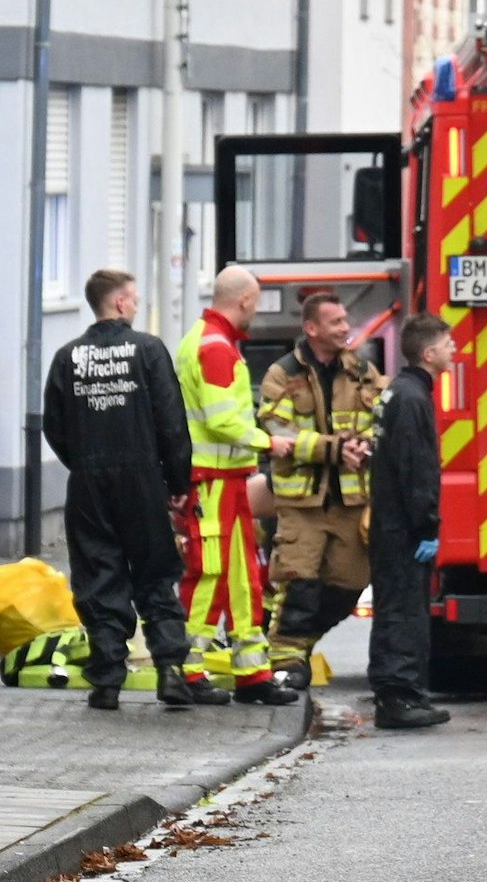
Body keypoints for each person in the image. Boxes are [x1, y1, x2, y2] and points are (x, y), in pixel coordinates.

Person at [42, 269, 197, 710]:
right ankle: (170, 670)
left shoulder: (67, 357)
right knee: (155, 571)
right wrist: (177, 482)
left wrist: (85, 465)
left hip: (89, 480)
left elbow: (54, 425)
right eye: (134, 298)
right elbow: (171, 421)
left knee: (98, 574)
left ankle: (107, 680)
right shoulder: (148, 350)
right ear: (122, 303)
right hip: (142, 477)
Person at [175, 266, 300, 707]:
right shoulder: (215, 346)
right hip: (212, 482)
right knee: (209, 576)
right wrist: (272, 442)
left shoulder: (210, 340)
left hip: (224, 481)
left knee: (244, 577)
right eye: (257, 302)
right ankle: (186, 672)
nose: (256, 311)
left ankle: (253, 675)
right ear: (245, 300)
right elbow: (223, 420)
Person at [260, 292, 385, 687]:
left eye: (346, 321)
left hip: (350, 500)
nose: (346, 328)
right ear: (312, 329)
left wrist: (364, 445)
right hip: (302, 503)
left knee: (349, 585)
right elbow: (276, 431)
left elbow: (383, 416)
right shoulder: (282, 374)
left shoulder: (363, 371)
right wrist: (334, 449)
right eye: (336, 323)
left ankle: (299, 648)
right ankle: (286, 662)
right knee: (298, 582)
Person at [366, 314, 456, 729]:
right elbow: (416, 469)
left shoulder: (400, 393)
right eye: (447, 343)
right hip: (403, 529)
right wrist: (427, 526)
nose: (454, 349)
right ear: (428, 353)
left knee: (396, 608)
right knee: (404, 611)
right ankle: (400, 697)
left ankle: (398, 693)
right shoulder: (412, 399)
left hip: (391, 525)